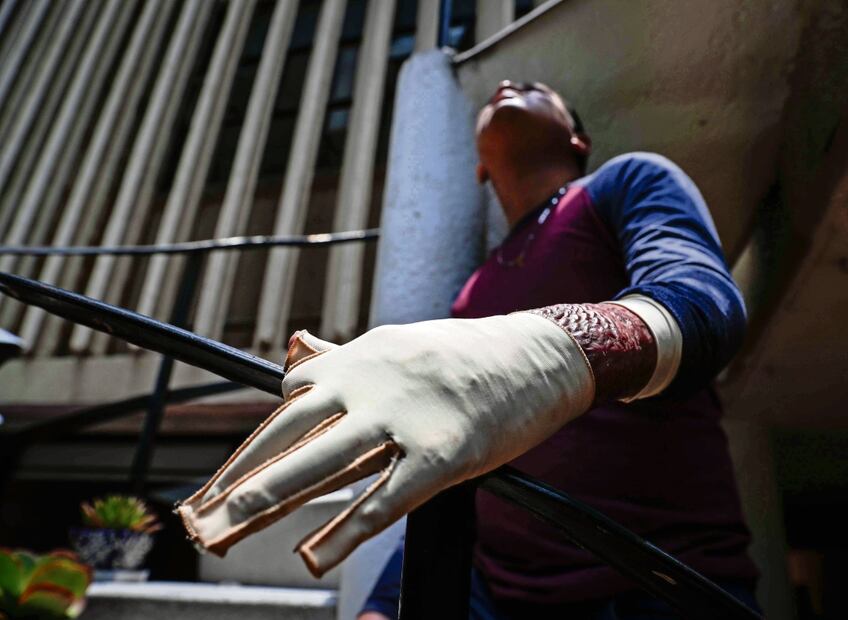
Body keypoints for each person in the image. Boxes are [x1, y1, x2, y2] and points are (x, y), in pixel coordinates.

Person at [177, 80, 759, 619]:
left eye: (535, 88)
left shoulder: (625, 182)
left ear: (577, 140)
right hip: (495, 593)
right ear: (480, 168)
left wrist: (557, 348)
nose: (508, 86)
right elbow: (443, 458)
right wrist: (380, 605)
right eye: (498, 92)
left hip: (656, 578)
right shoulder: (473, 292)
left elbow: (700, 300)